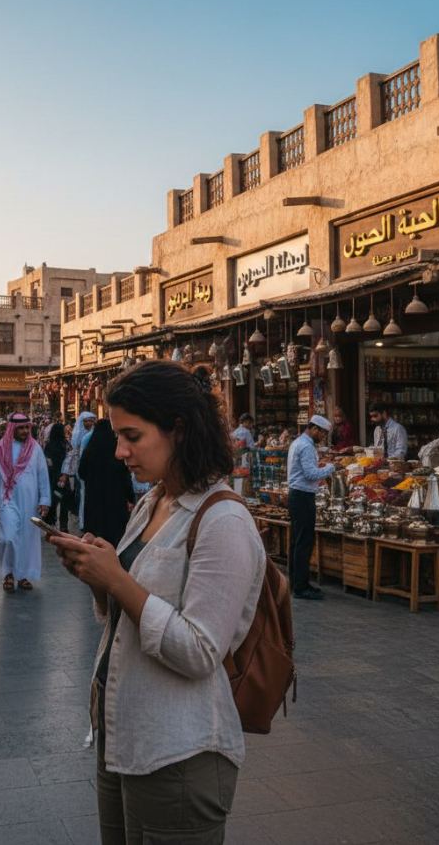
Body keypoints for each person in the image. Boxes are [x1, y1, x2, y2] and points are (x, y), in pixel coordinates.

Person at [49, 361, 265, 844]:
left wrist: (118, 581)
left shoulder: (223, 521)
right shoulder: (153, 502)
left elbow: (200, 650)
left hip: (179, 753)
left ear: (180, 430)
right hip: (122, 735)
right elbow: (126, 611)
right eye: (115, 435)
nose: (120, 451)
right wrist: (97, 577)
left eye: (133, 436)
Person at [0, 412, 51, 592]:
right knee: (8, 537)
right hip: (7, 499)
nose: (26, 431)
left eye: (27, 427)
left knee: (27, 538)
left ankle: (23, 575)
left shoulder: (35, 449)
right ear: (12, 429)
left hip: (30, 501)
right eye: (21, 428)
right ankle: (8, 573)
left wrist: (44, 500)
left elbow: (43, 476)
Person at [287, 415, 335, 601]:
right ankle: (300, 587)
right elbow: (310, 474)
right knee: (303, 542)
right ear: (315, 429)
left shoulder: (298, 443)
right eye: (322, 434)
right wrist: (331, 467)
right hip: (303, 496)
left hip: (297, 495)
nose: (322, 437)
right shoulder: (306, 446)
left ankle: (297, 582)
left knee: (297, 541)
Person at [78, 418, 135, 548]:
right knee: (115, 536)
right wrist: (130, 497)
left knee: (95, 535)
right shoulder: (116, 451)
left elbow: (81, 472)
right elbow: (125, 476)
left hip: (94, 499)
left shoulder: (90, 450)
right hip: (115, 499)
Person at [44, 422, 71, 532]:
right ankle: (63, 525)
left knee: (53, 499)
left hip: (52, 476)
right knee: (64, 500)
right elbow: (69, 461)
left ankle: (49, 522)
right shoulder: (66, 444)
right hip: (63, 476)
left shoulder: (49, 445)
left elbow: (47, 461)